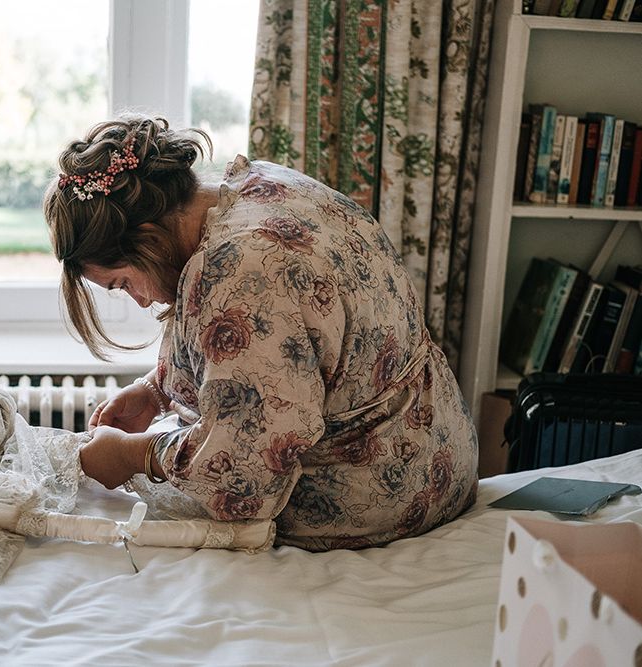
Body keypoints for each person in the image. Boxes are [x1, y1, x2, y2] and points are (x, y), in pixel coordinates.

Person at [43, 113, 478, 552]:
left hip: (387, 491)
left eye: (122, 283)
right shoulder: (259, 184)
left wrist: (134, 456)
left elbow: (246, 483)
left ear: (148, 235)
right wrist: (156, 393)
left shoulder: (238, 272)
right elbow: (289, 356)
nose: (140, 301)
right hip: (439, 445)